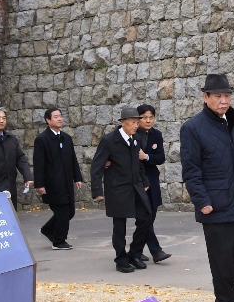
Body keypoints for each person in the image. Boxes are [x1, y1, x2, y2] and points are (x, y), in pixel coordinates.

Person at [180, 73, 234, 302]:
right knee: (221, 255)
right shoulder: (193, 128)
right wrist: (201, 200)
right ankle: (223, 298)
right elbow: (191, 169)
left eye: (227, 95)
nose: (223, 100)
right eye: (217, 96)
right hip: (215, 202)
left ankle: (224, 284)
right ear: (206, 97)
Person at [91, 106, 152, 273]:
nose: (136, 126)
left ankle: (135, 253)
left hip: (136, 186)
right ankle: (121, 258)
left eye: (136, 123)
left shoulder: (136, 139)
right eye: (133, 123)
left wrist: (144, 181)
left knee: (146, 217)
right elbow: (97, 165)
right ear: (123, 123)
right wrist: (97, 190)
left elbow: (138, 163)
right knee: (120, 226)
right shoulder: (109, 140)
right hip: (117, 189)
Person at [33, 108, 83, 251]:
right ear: (48, 120)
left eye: (60, 116)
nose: (59, 119)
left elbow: (73, 159)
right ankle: (59, 241)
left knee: (70, 212)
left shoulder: (66, 138)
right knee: (62, 214)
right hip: (52, 184)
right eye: (55, 117)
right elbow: (39, 163)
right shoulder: (42, 139)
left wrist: (77, 178)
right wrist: (39, 184)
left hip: (66, 182)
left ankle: (47, 229)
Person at [135, 104, 171, 264]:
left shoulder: (156, 135)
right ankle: (156, 251)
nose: (148, 121)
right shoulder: (132, 133)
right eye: (144, 118)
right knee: (144, 216)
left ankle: (135, 250)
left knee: (151, 215)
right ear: (138, 118)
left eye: (151, 117)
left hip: (152, 178)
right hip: (136, 181)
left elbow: (160, 157)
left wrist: (147, 157)